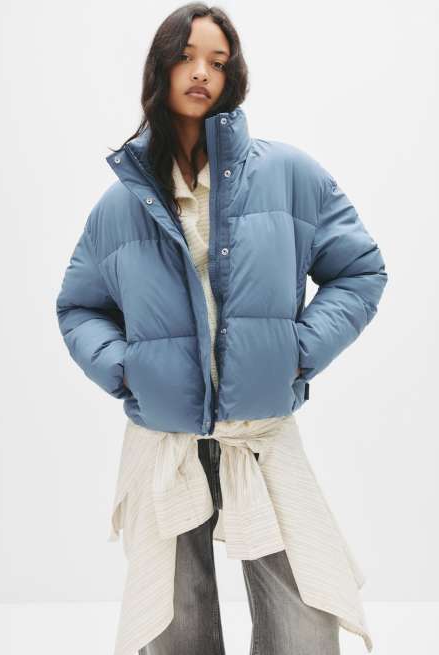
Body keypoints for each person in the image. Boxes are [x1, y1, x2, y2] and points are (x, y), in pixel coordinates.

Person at [55, 4, 388, 655]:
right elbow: (79, 306)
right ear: (160, 69)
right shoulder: (121, 204)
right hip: (165, 441)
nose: (201, 72)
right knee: (174, 623)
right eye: (186, 56)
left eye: (217, 60)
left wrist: (299, 350)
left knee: (303, 620)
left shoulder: (289, 174)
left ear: (234, 75)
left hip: (259, 433)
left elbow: (359, 270)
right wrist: (125, 369)